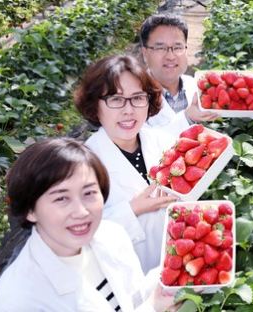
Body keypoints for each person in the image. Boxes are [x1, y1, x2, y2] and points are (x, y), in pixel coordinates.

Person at [0, 138, 179, 311]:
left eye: (89, 193)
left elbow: (134, 299)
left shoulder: (112, 235)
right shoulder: (17, 299)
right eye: (61, 198)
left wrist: (163, 287)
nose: (81, 211)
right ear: (30, 209)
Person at [74, 55, 176, 273]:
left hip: (177, 262)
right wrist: (132, 209)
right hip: (128, 280)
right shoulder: (81, 167)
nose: (128, 110)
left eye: (137, 97)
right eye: (116, 99)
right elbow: (79, 237)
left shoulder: (164, 142)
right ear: (95, 105)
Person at [139, 13, 218, 132]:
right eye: (160, 48)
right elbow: (141, 142)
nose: (170, 56)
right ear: (145, 53)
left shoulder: (195, 86)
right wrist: (187, 117)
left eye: (177, 47)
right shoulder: (133, 96)